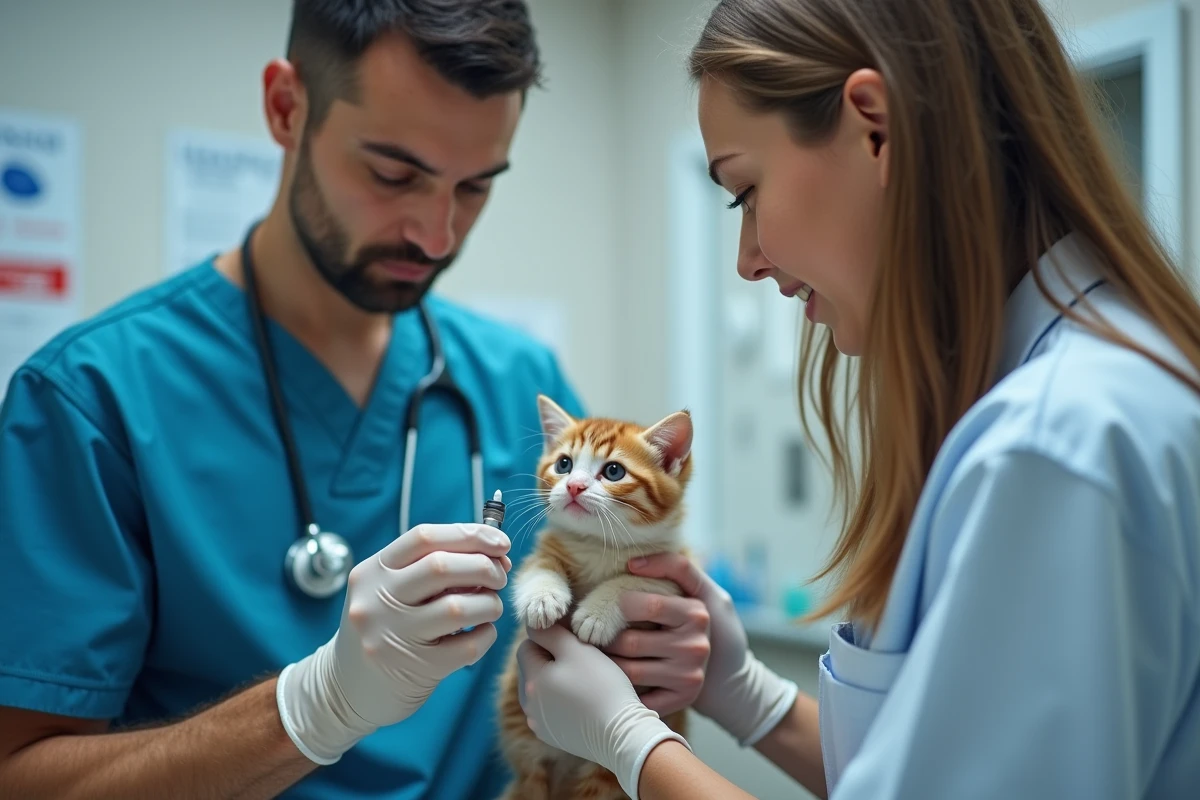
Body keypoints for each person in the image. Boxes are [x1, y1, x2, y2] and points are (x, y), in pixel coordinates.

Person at [0, 2, 712, 798]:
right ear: (286, 108)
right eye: (393, 174)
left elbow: (620, 609)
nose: (438, 235)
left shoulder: (514, 375)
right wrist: (311, 709)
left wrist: (666, 644)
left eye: (475, 186)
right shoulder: (91, 398)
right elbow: (20, 774)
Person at [515, 0, 1200, 798]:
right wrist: (747, 695)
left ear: (873, 127)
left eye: (743, 192)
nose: (746, 260)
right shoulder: (1050, 396)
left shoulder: (1058, 444)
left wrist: (632, 747)